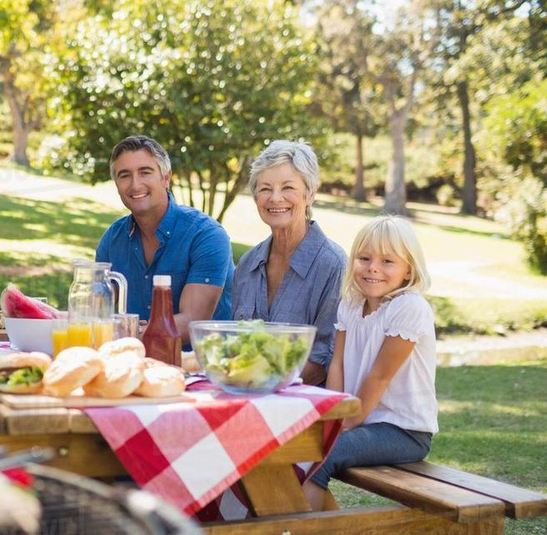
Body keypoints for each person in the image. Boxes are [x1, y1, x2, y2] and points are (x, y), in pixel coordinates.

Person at [304, 215, 437, 511]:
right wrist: (332, 418)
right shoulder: (351, 304)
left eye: (387, 261)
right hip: (358, 421)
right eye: (364, 258)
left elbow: (379, 377)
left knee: (319, 455)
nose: (373, 268)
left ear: (408, 270)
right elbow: (336, 365)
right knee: (292, 447)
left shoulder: (410, 308)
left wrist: (345, 424)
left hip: (402, 431)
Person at [95, 135, 234, 344]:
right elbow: (94, 314)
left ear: (166, 178)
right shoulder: (112, 240)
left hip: (201, 367)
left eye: (145, 172)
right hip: (136, 360)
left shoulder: (206, 235)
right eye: (124, 175)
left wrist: (127, 333)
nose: (135, 184)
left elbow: (192, 323)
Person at [231, 140, 347, 386]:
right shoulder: (247, 265)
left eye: (288, 187)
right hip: (246, 400)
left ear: (311, 193)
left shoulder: (333, 266)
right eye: (265, 189)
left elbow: (320, 364)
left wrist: (254, 381)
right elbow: (235, 346)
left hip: (304, 411)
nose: (275, 198)